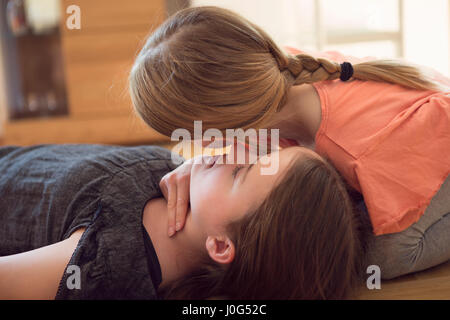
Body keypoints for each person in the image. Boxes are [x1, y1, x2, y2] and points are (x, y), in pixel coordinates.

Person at [129, 6, 450, 280]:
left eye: (191, 135)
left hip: (433, 145)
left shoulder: (361, 152)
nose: (194, 146)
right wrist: (199, 165)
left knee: (371, 258)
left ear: (222, 126)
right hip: (410, 120)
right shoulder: (274, 74)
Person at [0, 143, 363, 299]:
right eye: (262, 152)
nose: (232, 148)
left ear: (220, 245)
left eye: (239, 171)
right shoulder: (179, 175)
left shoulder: (108, 265)